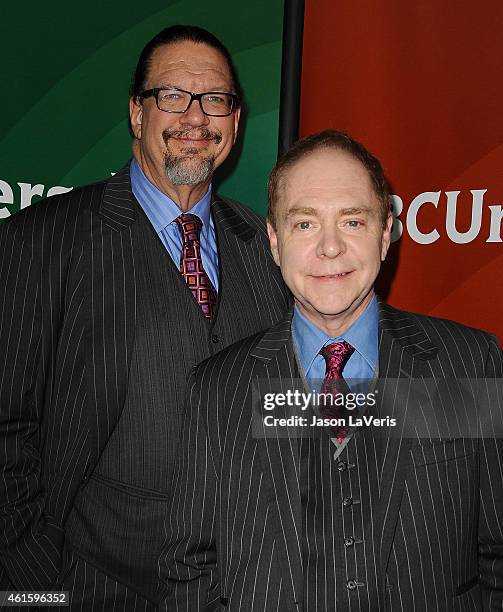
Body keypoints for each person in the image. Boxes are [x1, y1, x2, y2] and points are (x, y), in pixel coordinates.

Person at [0, 25, 289, 610]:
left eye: (215, 100)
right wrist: (34, 590)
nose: (195, 117)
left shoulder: (266, 249)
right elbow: (6, 432)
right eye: (172, 96)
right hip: (84, 585)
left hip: (233, 587)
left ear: (234, 123)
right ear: (137, 114)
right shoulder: (43, 239)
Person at [162, 130, 503, 610]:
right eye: (304, 224)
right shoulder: (216, 388)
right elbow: (190, 572)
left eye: (353, 222)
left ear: (385, 234)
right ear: (274, 241)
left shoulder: (470, 363)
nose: (329, 248)